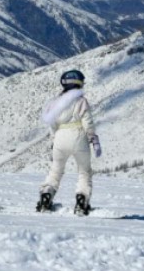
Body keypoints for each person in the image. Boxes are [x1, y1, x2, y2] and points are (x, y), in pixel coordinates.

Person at [37, 70, 101, 216]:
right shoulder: (81, 101)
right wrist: (94, 139)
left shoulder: (56, 102)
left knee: (55, 171)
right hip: (78, 136)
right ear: (78, 83)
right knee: (84, 172)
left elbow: (52, 125)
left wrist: (54, 142)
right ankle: (81, 201)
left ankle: (46, 196)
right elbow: (87, 122)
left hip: (60, 137)